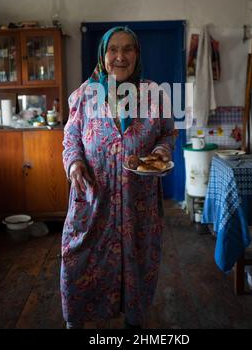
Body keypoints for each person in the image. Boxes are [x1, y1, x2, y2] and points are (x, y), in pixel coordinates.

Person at [60, 26, 175, 329]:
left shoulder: (154, 94)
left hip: (139, 207)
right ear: (103, 54)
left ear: (138, 55)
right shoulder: (85, 94)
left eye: (129, 49)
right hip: (92, 202)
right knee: (78, 264)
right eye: (114, 49)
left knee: (138, 266)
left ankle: (133, 327)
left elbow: (167, 133)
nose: (120, 56)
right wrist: (74, 165)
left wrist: (162, 151)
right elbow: (70, 137)